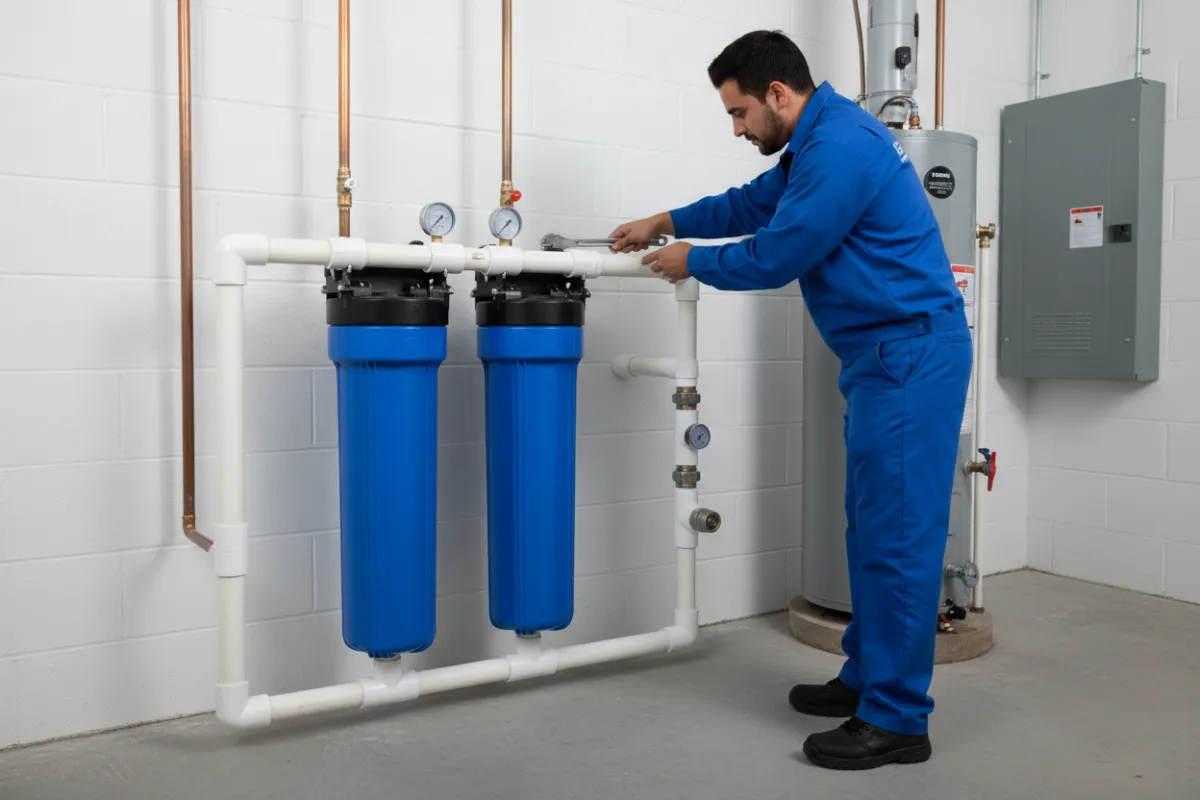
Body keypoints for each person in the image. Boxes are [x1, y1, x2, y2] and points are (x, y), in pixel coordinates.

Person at [609, 30, 973, 771]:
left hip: (910, 357)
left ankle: (900, 719)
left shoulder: (839, 147)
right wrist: (668, 219)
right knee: (872, 528)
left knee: (898, 539)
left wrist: (691, 261)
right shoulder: (816, 144)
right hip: (883, 359)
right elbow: (751, 203)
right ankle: (869, 679)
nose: (738, 129)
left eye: (740, 114)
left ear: (779, 94)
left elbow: (780, 252)